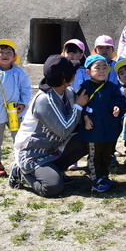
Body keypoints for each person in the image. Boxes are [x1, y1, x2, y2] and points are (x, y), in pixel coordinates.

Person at [10, 55, 89, 197]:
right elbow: (64, 130)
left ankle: (55, 170)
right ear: (65, 78)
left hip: (52, 148)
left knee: (86, 139)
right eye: (73, 72)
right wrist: (78, 106)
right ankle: (20, 172)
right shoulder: (45, 100)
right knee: (53, 188)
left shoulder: (67, 92)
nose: (75, 74)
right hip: (32, 153)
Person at [0, 39, 31, 177]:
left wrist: (23, 103)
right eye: (1, 52)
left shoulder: (19, 72)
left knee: (19, 137)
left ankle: (20, 161)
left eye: (9, 52)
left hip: (15, 112)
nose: (5, 55)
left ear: (14, 56)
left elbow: (25, 89)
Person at [76, 55, 125, 192]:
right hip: (93, 128)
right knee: (95, 154)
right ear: (88, 71)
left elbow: (120, 100)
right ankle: (95, 178)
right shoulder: (85, 87)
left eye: (105, 68)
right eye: (98, 67)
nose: (102, 71)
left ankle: (104, 176)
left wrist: (118, 107)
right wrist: (85, 118)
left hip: (109, 128)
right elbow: (80, 104)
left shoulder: (113, 87)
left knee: (107, 153)